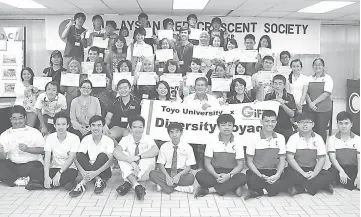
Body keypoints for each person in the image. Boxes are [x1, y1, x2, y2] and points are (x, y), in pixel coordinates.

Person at [194, 114, 246, 197]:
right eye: (223, 125)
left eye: (229, 125)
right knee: (199, 175)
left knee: (243, 177)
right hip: (215, 172)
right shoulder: (212, 140)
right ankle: (233, 187)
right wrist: (216, 175)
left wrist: (228, 176)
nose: (226, 127)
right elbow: (207, 163)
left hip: (231, 173)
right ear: (218, 126)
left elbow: (240, 165)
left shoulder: (238, 141)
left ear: (233, 127)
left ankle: (210, 190)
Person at [284, 112, 334, 196]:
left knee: (329, 175)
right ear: (297, 124)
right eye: (302, 122)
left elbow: (322, 159)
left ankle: (300, 188)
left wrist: (314, 173)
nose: (305, 125)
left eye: (308, 122)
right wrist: (303, 173)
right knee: (286, 176)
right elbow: (290, 158)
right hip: (297, 170)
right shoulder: (293, 138)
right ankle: (319, 186)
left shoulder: (318, 138)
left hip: (312, 169)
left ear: (313, 124)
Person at [114, 115, 159, 200]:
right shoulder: (126, 138)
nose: (138, 130)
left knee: (149, 156)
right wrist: (131, 162)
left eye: (140, 127)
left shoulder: (148, 138)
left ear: (143, 128)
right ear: (130, 128)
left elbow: (156, 150)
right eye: (135, 127)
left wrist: (138, 157)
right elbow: (116, 152)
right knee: (122, 155)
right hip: (130, 170)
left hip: (144, 174)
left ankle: (128, 183)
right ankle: (137, 186)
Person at [244, 110, 287, 200]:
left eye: (273, 121)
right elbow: (249, 162)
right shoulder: (253, 137)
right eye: (267, 121)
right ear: (261, 121)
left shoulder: (280, 138)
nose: (270, 124)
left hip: (273, 171)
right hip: (257, 172)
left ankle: (260, 191)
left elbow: (282, 160)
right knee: (251, 180)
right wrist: (260, 175)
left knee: (288, 179)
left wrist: (277, 175)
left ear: (276, 122)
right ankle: (267, 189)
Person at [31, 112, 80, 191]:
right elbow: (47, 158)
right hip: (54, 168)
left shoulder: (74, 138)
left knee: (72, 174)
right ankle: (63, 183)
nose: (61, 127)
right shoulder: (50, 138)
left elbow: (71, 159)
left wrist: (59, 173)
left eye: (63, 124)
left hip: (69, 169)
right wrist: (46, 176)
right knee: (35, 172)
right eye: (58, 124)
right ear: (54, 125)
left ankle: (45, 184)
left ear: (68, 125)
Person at [0, 105, 44, 190]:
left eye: (20, 118)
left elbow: (43, 150)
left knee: (39, 168)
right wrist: (1, 152)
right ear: (10, 119)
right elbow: (3, 157)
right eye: (14, 118)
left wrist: (28, 149)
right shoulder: (5, 135)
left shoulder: (34, 132)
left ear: (25, 118)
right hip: (14, 165)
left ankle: (22, 180)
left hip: (32, 164)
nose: (17, 121)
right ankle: (18, 180)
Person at [69, 115, 114, 197]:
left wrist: (96, 172)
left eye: (99, 125)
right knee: (80, 155)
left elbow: (111, 160)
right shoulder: (86, 139)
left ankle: (83, 183)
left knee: (102, 155)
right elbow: (77, 158)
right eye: (93, 125)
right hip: (89, 169)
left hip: (104, 171)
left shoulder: (108, 140)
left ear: (103, 127)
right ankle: (98, 180)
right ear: (89, 127)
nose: (96, 128)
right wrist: (82, 172)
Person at [149, 122, 195, 194]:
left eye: (177, 132)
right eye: (172, 132)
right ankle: (179, 188)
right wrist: (167, 176)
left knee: (191, 178)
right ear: (169, 134)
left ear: (181, 133)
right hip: (167, 171)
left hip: (181, 172)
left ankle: (165, 186)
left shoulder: (188, 147)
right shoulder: (164, 146)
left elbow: (188, 167)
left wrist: (178, 176)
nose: (174, 135)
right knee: (152, 174)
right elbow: (161, 165)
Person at [328, 111, 360, 190]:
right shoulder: (332, 139)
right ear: (337, 124)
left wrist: (359, 175)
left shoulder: (358, 139)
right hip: (337, 167)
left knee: (353, 184)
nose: (343, 126)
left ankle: (345, 182)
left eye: (346, 123)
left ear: (351, 124)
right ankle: (336, 181)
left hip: (353, 168)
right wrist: (341, 171)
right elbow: (332, 158)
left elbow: (360, 158)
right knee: (325, 177)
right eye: (341, 123)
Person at [306, 58, 333, 142]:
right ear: (312, 66)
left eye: (319, 64)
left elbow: (326, 93)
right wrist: (310, 103)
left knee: (321, 131)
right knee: (310, 130)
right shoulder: (309, 78)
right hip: (311, 108)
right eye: (315, 64)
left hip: (324, 109)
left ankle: (321, 151)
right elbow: (306, 92)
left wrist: (313, 102)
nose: (317, 66)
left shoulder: (328, 78)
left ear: (323, 66)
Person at [265, 74, 296, 141]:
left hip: (286, 126)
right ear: (272, 85)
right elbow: (264, 112)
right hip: (271, 126)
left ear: (284, 85)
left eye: (280, 84)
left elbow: (292, 114)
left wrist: (282, 104)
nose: (277, 86)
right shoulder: (268, 96)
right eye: (275, 84)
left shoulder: (289, 96)